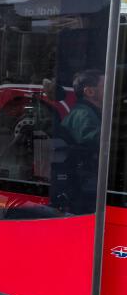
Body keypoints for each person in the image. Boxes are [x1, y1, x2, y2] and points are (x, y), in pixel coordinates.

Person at [59, 69, 104, 214]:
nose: (112, 90)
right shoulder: (82, 115)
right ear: (90, 92)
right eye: (106, 86)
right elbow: (99, 142)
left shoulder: (89, 112)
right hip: (84, 183)